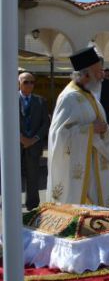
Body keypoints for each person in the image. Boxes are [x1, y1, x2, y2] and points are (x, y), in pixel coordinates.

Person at [47, 47, 109, 208]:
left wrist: (104, 130)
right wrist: (90, 129)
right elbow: (58, 134)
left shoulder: (89, 95)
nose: (102, 75)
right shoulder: (69, 97)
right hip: (81, 169)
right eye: (98, 72)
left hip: (97, 166)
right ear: (86, 75)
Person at [18, 72, 50, 210]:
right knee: (12, 176)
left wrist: (34, 139)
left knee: (33, 177)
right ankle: (10, 204)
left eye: (32, 82)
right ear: (19, 83)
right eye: (26, 82)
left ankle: (32, 207)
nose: (30, 85)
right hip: (14, 145)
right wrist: (19, 137)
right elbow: (5, 121)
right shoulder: (8, 99)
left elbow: (46, 123)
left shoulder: (40, 101)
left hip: (34, 145)